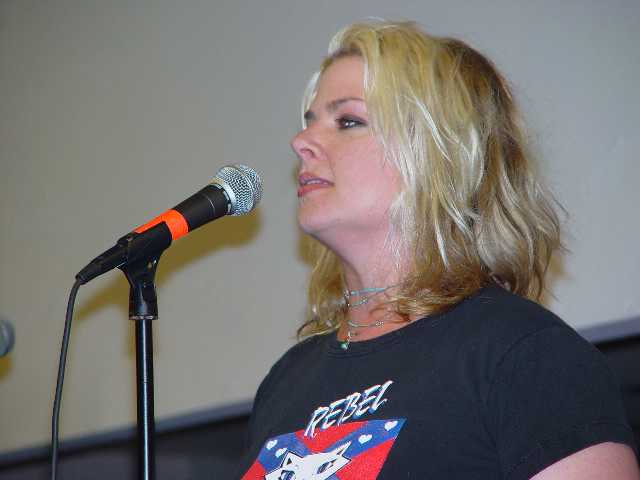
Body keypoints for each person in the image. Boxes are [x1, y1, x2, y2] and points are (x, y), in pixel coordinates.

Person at [237, 21, 638, 479]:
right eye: (308, 122)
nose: (301, 142)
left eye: (348, 121)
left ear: (437, 151)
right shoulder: (288, 382)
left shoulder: (524, 355)